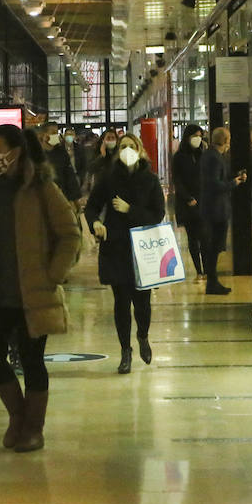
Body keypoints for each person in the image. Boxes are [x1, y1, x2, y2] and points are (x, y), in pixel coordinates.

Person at [0, 125, 81, 452]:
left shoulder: (42, 189)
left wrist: (53, 274)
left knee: (32, 360)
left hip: (34, 293)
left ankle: (34, 428)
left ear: (16, 152)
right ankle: (18, 415)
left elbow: (69, 234)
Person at [85, 134, 166, 374]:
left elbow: (157, 214)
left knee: (142, 302)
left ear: (140, 150)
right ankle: (125, 351)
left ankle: (142, 336)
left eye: (131, 146)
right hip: (116, 246)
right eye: (123, 147)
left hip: (143, 249)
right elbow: (91, 206)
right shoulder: (108, 179)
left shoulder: (150, 180)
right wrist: (95, 224)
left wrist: (131, 210)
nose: (127, 150)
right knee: (121, 302)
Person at [199, 127, 247, 295]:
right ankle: (212, 283)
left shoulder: (212, 155)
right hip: (216, 209)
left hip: (214, 208)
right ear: (225, 140)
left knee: (214, 247)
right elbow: (215, 184)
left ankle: (213, 281)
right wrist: (234, 183)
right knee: (214, 247)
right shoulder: (214, 158)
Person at [171, 124, 207, 282]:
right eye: (195, 136)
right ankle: (199, 271)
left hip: (203, 202)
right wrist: (187, 198)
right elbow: (177, 180)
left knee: (205, 238)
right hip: (187, 204)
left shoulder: (202, 154)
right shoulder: (178, 157)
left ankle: (207, 270)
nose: (197, 139)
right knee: (193, 238)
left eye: (200, 136)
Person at [39, 121, 82, 208]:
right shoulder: (36, 154)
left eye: (57, 133)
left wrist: (74, 199)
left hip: (61, 196)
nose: (55, 136)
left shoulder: (61, 152)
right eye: (53, 133)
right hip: (41, 198)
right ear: (44, 135)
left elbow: (69, 176)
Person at [84, 128, 120, 200]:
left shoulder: (119, 152)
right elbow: (91, 168)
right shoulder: (96, 151)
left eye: (113, 138)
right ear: (103, 140)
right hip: (100, 189)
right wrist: (102, 155)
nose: (111, 140)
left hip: (117, 189)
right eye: (108, 138)